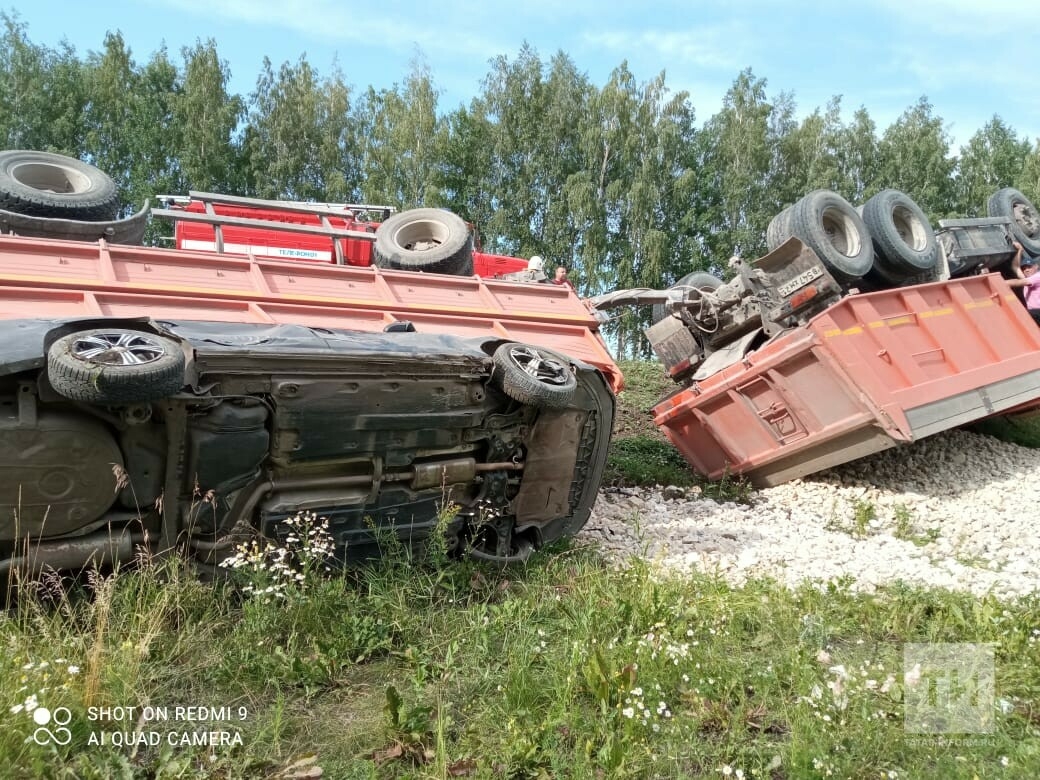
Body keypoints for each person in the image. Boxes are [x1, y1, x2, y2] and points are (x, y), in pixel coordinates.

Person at [1006, 241, 1040, 325]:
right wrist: (1020, 250)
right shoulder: (1028, 278)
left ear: (1036, 267)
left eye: (1029, 267)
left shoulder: (1038, 276)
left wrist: (1000, 282)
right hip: (1034, 312)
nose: (1026, 270)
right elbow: (1015, 267)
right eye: (1024, 268)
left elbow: (1018, 282)